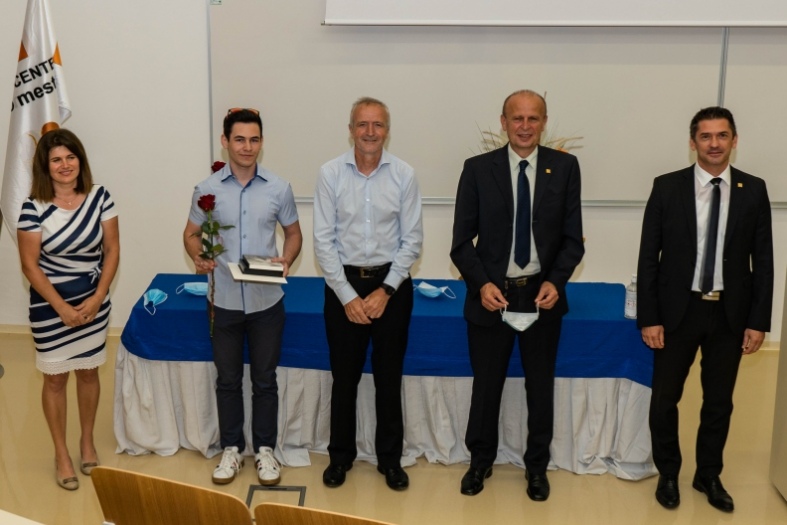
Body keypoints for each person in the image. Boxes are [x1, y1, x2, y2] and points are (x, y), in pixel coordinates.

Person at [637, 106, 773, 513]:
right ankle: (668, 473)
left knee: (719, 402)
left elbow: (763, 261)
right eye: (706, 136)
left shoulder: (754, 189)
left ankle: (708, 474)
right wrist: (649, 317)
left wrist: (758, 321)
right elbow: (648, 258)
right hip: (677, 313)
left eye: (722, 135)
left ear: (734, 140)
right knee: (665, 400)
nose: (714, 144)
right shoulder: (667, 187)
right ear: (693, 141)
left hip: (729, 315)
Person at [450, 90, 584, 500]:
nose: (525, 126)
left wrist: (556, 281)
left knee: (540, 390)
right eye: (517, 118)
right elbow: (461, 244)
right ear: (503, 122)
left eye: (533, 118)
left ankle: (537, 468)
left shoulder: (565, 167)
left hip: (541, 299)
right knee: (486, 388)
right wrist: (482, 285)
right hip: (493, 298)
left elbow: (573, 240)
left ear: (544, 122)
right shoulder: (477, 169)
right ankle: (480, 462)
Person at [183, 108, 302, 486]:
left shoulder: (279, 188)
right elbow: (190, 234)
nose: (247, 147)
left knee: (265, 380)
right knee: (228, 380)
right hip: (224, 300)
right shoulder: (206, 189)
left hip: (267, 302)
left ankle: (265, 450)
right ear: (225, 141)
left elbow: (294, 234)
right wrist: (199, 256)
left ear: (261, 142)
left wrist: (287, 258)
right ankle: (232, 449)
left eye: (253, 140)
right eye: (239, 139)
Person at [314, 97, 423, 491]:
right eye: (362, 124)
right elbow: (323, 241)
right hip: (342, 286)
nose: (370, 132)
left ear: (387, 131)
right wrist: (347, 296)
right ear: (351, 130)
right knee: (344, 378)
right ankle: (340, 457)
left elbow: (412, 241)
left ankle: (390, 460)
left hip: (391, 287)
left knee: (388, 378)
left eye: (377, 125)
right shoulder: (329, 173)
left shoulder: (404, 175)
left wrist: (385, 291)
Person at [17, 128, 120, 491]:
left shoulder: (100, 197)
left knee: (89, 373)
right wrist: (61, 307)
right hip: (50, 308)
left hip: (94, 303)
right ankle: (61, 454)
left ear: (80, 160)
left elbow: (112, 250)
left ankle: (86, 442)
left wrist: (98, 297)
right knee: (55, 379)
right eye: (56, 160)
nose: (65, 165)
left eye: (70, 157)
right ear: (45, 167)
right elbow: (30, 265)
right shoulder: (32, 207)